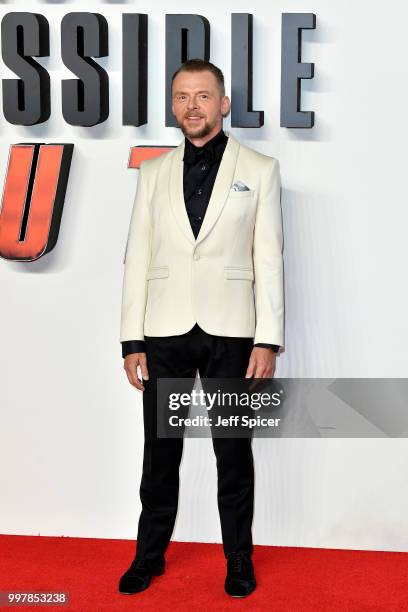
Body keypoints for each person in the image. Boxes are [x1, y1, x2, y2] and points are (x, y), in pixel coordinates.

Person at [118, 58, 284, 598]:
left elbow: (270, 260)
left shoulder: (259, 169)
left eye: (204, 96)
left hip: (232, 333)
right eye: (183, 97)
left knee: (233, 452)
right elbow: (137, 257)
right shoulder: (152, 173)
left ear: (223, 103)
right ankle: (149, 557)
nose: (193, 106)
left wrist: (268, 338)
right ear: (173, 105)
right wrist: (131, 339)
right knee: (159, 453)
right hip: (163, 331)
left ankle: (239, 560)